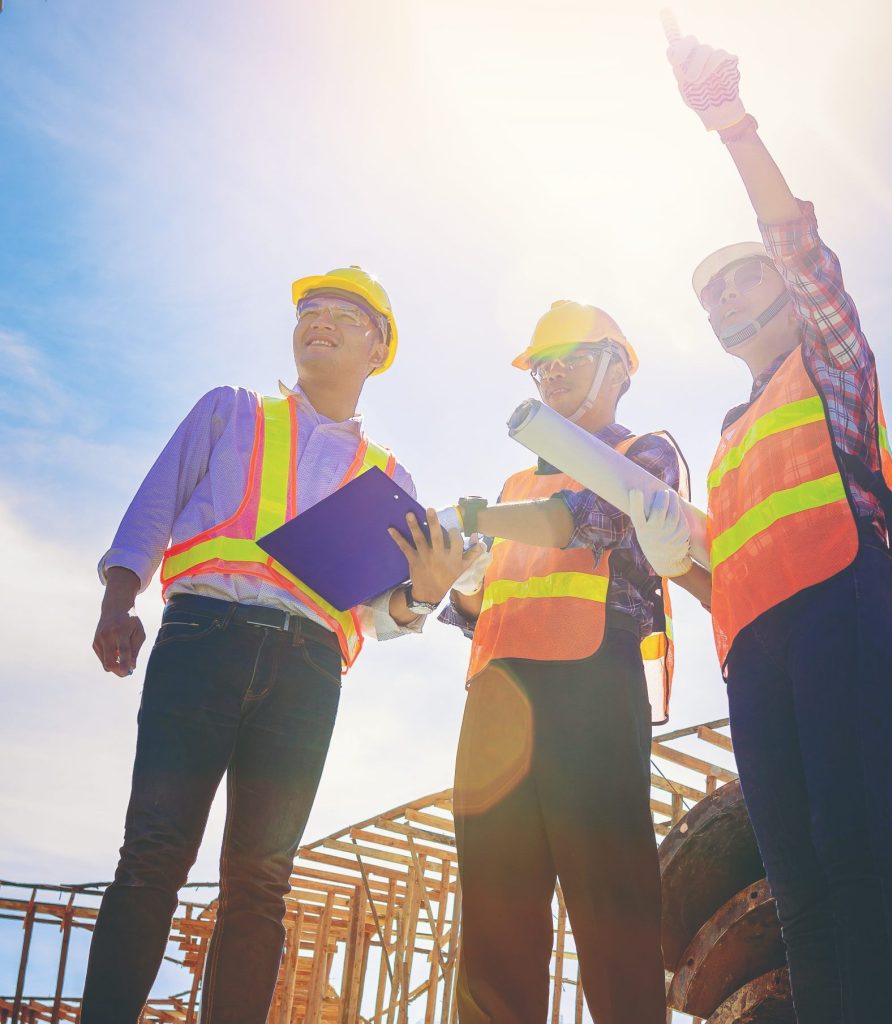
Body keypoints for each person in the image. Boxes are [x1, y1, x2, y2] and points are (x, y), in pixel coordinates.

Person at [83, 266, 481, 1024]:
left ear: (379, 347)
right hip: (202, 640)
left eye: (341, 314)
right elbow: (152, 507)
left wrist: (426, 593)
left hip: (308, 669)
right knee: (153, 855)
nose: (317, 322)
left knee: (261, 881)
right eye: (309, 311)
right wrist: (117, 597)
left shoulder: (388, 478)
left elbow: (372, 615)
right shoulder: (231, 412)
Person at [651, 33, 892, 1024]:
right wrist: (667, 540)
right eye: (711, 291)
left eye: (742, 275)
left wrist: (731, 123)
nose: (727, 293)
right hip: (755, 647)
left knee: (851, 839)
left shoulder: (834, 367)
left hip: (839, 604)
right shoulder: (729, 436)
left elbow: (801, 245)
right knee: (798, 875)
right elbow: (720, 566)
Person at [426, 299, 704, 1024]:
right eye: (542, 366)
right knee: (495, 923)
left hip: (592, 691)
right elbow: (477, 609)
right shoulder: (515, 490)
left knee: (611, 915)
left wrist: (474, 521)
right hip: (496, 702)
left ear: (618, 368)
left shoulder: (644, 454)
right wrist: (450, 578)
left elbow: (593, 522)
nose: (551, 377)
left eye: (569, 361)